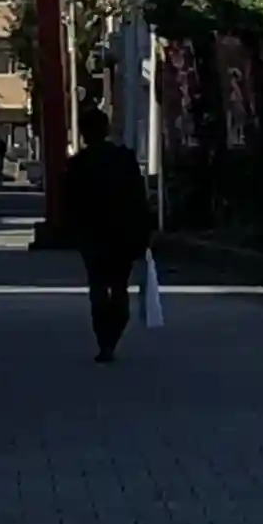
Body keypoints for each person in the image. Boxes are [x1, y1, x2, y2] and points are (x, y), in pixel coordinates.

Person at [60, 104, 154, 362]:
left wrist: (71, 231)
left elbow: (69, 203)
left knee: (98, 286)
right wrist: (144, 230)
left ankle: (105, 340)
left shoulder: (78, 164)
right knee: (119, 285)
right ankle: (113, 335)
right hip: (123, 233)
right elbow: (139, 198)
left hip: (93, 235)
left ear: (84, 134)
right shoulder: (125, 159)